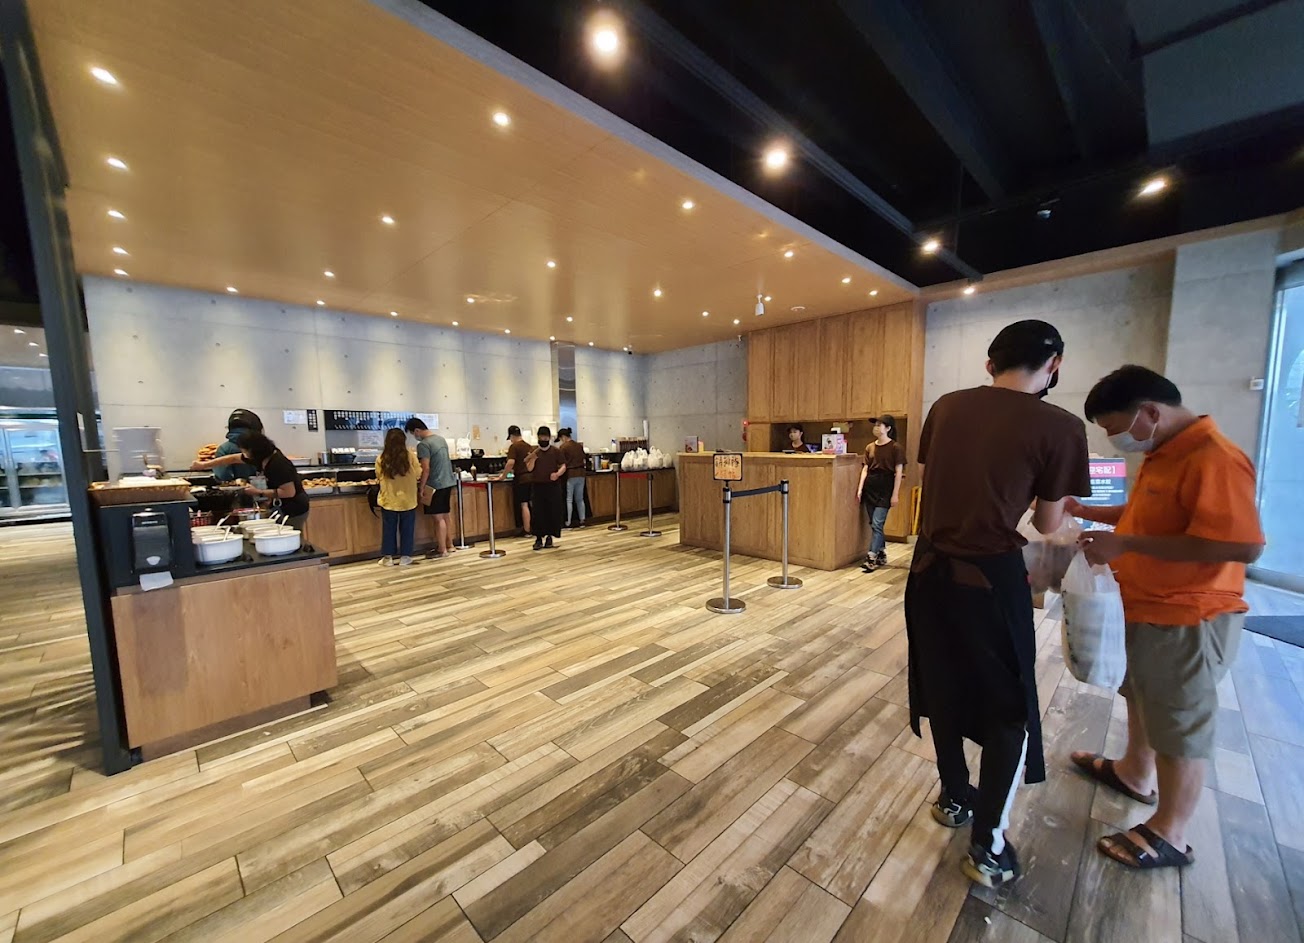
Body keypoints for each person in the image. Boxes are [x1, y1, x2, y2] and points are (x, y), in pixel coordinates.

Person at [906, 319, 1090, 888]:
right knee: (1009, 707)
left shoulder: (946, 407)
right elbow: (1047, 523)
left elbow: (936, 480)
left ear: (990, 364)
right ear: (1054, 364)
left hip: (928, 571)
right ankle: (988, 847)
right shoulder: (1061, 426)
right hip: (990, 579)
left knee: (941, 682)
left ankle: (954, 798)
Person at [1068, 365, 1264, 872]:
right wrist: (1090, 512)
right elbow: (1148, 514)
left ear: (1150, 412)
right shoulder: (1165, 453)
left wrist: (1125, 544)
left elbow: (1244, 545)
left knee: (1178, 719)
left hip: (1188, 616)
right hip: (1146, 604)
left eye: (1116, 429)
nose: (1115, 440)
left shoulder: (1214, 457)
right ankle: (1134, 772)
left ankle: (1171, 831)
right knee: (1142, 694)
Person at [856, 415, 906, 572]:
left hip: (886, 487)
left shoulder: (896, 448)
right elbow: (865, 469)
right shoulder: (870, 447)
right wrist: (860, 489)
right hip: (871, 486)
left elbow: (898, 472)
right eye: (875, 425)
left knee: (878, 523)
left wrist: (895, 494)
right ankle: (881, 552)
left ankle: (871, 557)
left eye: (880, 425)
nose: (876, 428)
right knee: (874, 523)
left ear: (888, 428)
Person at [238, 431, 311, 531]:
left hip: (293, 508)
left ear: (253, 450)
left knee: (290, 535)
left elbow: (289, 492)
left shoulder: (278, 463)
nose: (244, 453)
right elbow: (235, 458)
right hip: (282, 507)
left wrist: (258, 492)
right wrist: (214, 463)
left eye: (244, 450)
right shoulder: (263, 458)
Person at [406, 418, 457, 559]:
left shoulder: (424, 444)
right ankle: (450, 545)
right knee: (445, 516)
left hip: (434, 485)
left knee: (438, 518)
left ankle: (442, 550)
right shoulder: (441, 439)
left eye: (413, 433)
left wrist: (421, 487)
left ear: (417, 430)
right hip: (447, 482)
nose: (414, 436)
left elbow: (426, 468)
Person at [375, 428, 420, 566]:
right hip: (408, 499)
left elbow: (378, 476)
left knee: (389, 529)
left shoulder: (381, 458)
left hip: (389, 499)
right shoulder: (410, 456)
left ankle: (388, 558)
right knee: (407, 529)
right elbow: (418, 473)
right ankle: (405, 557)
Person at [190, 408, 262, 481]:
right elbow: (236, 458)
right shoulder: (261, 448)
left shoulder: (224, 449)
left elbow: (223, 476)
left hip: (237, 487)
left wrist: (203, 465)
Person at [525, 425, 566, 550]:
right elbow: (529, 468)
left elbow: (563, 466)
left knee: (552, 511)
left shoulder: (556, 451)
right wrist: (533, 459)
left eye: (545, 437)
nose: (543, 439)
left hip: (553, 486)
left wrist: (557, 474)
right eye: (541, 437)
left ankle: (549, 537)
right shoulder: (534, 451)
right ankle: (538, 538)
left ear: (549, 438)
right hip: (538, 485)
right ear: (538, 437)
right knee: (538, 513)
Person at [500, 425, 533, 536]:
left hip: (521, 478)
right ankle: (533, 527)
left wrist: (503, 476)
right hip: (531, 477)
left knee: (524, 504)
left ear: (512, 436)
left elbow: (510, 463)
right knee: (531, 503)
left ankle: (527, 530)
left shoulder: (514, 447)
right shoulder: (529, 446)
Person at [558, 428, 588, 527]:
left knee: (569, 499)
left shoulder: (563, 447)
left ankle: (568, 521)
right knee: (580, 499)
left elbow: (561, 462)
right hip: (581, 474)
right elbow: (584, 458)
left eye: (560, 439)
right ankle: (582, 520)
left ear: (563, 437)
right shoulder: (579, 446)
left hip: (570, 474)